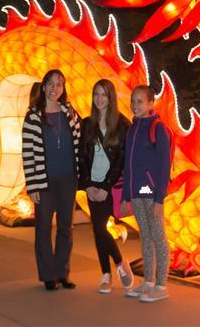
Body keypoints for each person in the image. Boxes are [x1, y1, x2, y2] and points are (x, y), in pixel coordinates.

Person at [22, 69, 82, 291]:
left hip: (68, 179)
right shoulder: (33, 116)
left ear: (63, 88)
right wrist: (33, 186)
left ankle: (62, 272)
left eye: (60, 84)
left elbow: (79, 142)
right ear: (44, 86)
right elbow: (28, 153)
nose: (55, 88)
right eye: (51, 83)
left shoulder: (69, 112)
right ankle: (48, 274)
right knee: (44, 227)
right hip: (44, 182)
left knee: (66, 227)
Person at [78, 79, 134, 294]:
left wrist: (106, 187)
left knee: (100, 228)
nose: (99, 99)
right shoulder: (87, 123)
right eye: (96, 94)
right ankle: (108, 273)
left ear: (111, 98)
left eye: (104, 95)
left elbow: (121, 160)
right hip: (93, 184)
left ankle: (118, 265)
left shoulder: (122, 125)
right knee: (97, 228)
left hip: (111, 186)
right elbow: (82, 157)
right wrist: (88, 185)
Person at [120, 85, 171, 302]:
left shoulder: (157, 128)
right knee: (146, 236)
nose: (135, 105)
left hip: (151, 190)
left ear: (151, 104)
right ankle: (148, 281)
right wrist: (125, 196)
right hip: (138, 190)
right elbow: (128, 165)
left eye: (140, 101)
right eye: (133, 101)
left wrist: (159, 199)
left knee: (158, 236)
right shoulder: (133, 128)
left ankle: (161, 286)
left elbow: (163, 165)